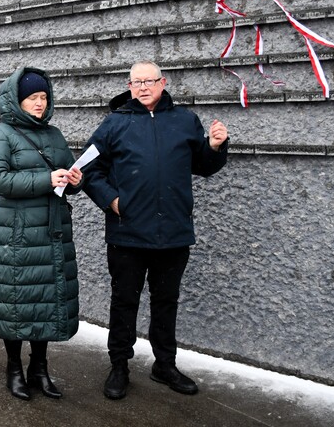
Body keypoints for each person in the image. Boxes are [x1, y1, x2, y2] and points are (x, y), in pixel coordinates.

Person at [82, 60, 229, 401]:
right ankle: (119, 365)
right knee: (124, 302)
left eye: (149, 81)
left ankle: (165, 364)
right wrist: (112, 201)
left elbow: (203, 166)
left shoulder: (184, 120)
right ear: (129, 86)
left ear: (163, 83)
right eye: (137, 82)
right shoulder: (114, 123)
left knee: (166, 302)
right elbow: (88, 169)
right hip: (127, 235)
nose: (143, 87)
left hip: (173, 233)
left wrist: (214, 146)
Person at [0, 68, 83, 400]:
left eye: (43, 97)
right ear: (16, 100)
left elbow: (65, 177)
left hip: (52, 233)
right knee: (15, 303)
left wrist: (75, 181)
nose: (40, 103)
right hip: (16, 235)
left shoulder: (54, 134)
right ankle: (14, 369)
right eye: (32, 98)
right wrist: (46, 180)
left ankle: (39, 368)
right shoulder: (0, 134)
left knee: (46, 302)